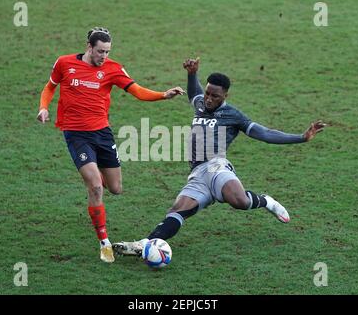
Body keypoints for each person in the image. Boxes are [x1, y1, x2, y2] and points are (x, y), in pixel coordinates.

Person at [113, 57, 326, 256]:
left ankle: (266, 201)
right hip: (197, 173)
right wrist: (192, 74)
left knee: (239, 201)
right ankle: (142, 245)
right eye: (207, 93)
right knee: (177, 211)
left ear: (225, 96)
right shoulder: (200, 104)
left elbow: (264, 133)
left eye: (215, 96)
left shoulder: (233, 115)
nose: (208, 99)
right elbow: (194, 93)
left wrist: (301, 137)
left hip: (216, 166)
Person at [36, 27, 184, 263]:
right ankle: (104, 242)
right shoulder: (64, 63)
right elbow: (50, 86)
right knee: (96, 187)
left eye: (107, 52)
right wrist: (44, 107)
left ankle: (94, 175)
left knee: (115, 188)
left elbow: (136, 91)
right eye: (100, 51)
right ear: (89, 47)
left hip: (102, 134)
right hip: (76, 134)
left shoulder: (113, 69)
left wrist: (162, 95)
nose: (103, 56)